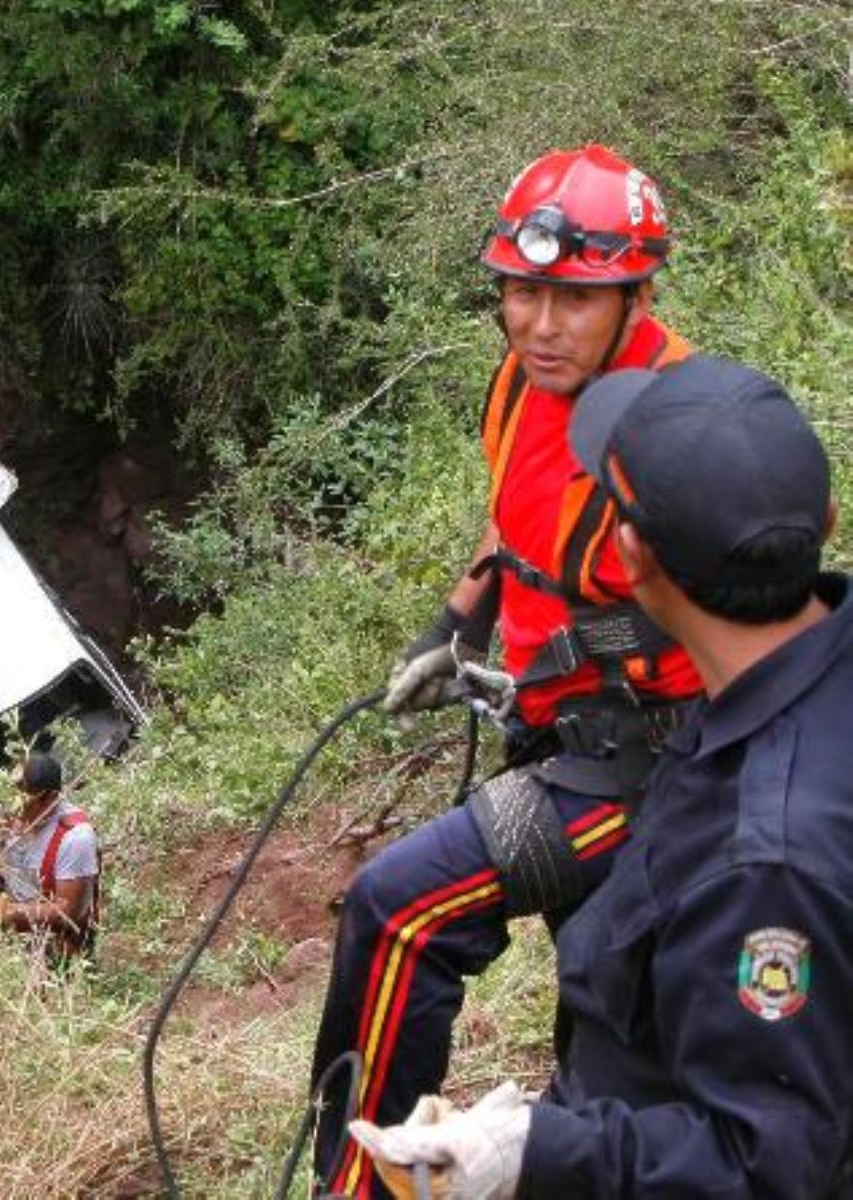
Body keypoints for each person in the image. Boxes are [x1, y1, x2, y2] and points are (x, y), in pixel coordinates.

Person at [351, 355, 853, 1198]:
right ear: (823, 522)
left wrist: (536, 1151)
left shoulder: (765, 863)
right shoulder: (793, 688)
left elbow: (765, 1166)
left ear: (631, 556)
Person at [310, 145, 706, 1197]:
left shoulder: (678, 433)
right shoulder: (522, 388)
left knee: (398, 914)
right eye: (522, 292)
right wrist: (456, 620)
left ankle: (357, 1187)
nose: (540, 324)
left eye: (574, 300)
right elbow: (511, 518)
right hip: (558, 735)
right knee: (612, 1011)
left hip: (647, 767)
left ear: (636, 293)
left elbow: (755, 607)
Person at [0, 753, 101, 959]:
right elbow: (3, 862)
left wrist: (4, 913)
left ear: (49, 798)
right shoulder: (10, 819)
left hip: (60, 944)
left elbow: (69, 911)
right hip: (20, 936)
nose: (16, 809)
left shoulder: (75, 837)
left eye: (25, 800)